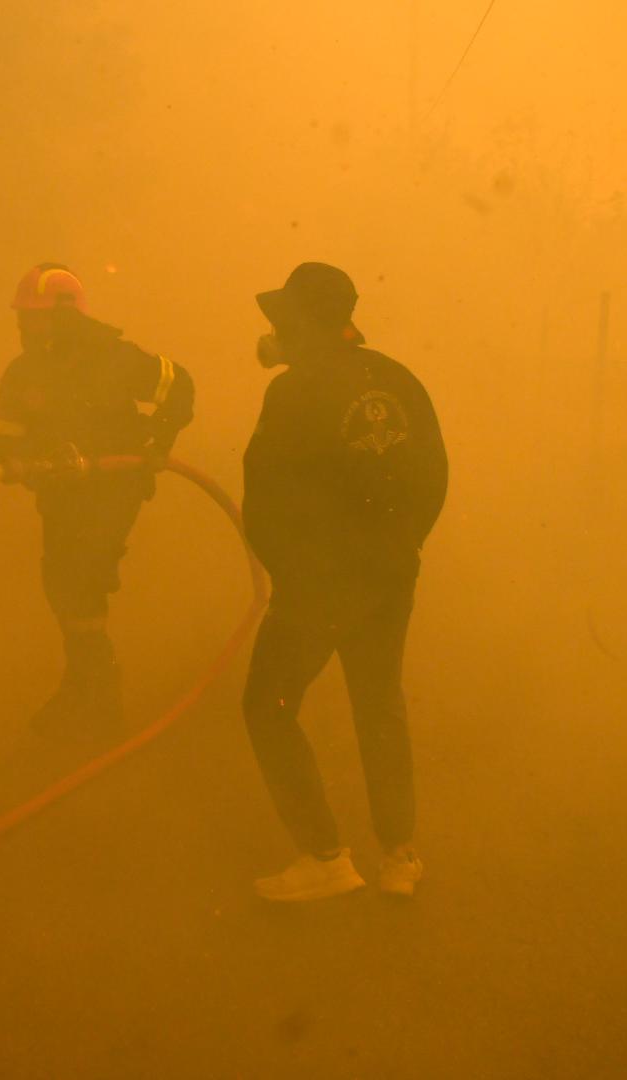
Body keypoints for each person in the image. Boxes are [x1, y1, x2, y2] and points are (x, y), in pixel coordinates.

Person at [239, 262, 448, 901]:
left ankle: (325, 857)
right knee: (378, 702)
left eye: (282, 319)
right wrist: (402, 546)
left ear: (302, 323)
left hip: (320, 585)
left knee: (267, 707)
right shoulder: (396, 379)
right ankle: (400, 858)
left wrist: (291, 575)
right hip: (390, 574)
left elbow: (265, 499)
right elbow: (434, 475)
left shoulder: (294, 392)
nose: (273, 329)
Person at [0, 264, 195, 736]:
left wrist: (156, 442)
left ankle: (100, 695)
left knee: (83, 576)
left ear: (65, 316)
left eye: (33, 317)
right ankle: (82, 681)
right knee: (60, 580)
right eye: (22, 317)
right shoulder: (24, 374)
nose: (24, 327)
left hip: (113, 489)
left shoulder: (117, 360)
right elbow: (3, 438)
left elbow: (180, 387)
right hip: (61, 494)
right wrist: (18, 460)